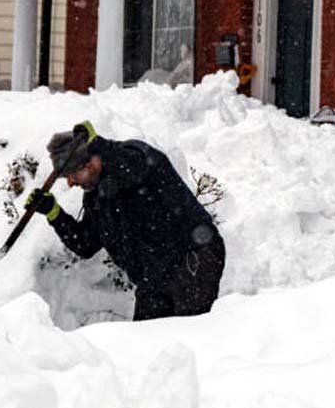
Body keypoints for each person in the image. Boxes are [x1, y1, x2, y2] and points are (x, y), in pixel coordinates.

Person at [27, 121, 225, 321]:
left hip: (192, 258)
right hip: (153, 276)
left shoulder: (135, 156)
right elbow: (85, 244)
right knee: (145, 342)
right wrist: (54, 213)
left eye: (71, 175)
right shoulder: (96, 195)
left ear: (90, 163)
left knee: (189, 336)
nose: (71, 182)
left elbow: (131, 169)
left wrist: (97, 144)